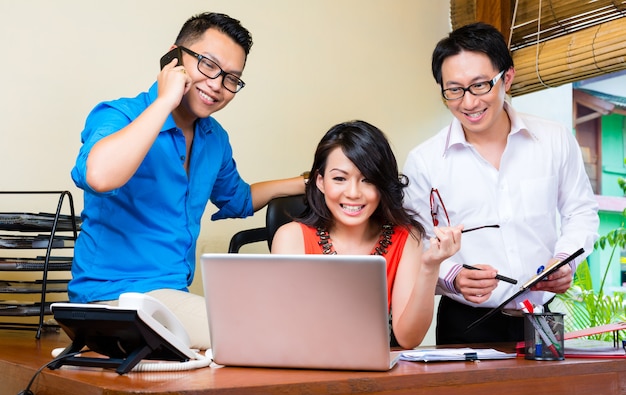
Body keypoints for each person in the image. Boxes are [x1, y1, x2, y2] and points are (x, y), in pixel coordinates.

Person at [68, 12, 304, 349]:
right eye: (208, 65)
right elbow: (99, 176)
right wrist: (165, 101)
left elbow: (238, 198)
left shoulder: (214, 138)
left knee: (271, 326)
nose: (217, 85)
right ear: (175, 58)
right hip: (111, 300)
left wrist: (309, 181)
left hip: (169, 299)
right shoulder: (120, 115)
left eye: (231, 78)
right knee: (261, 332)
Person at [402, 22, 599, 395]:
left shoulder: (554, 138)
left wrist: (566, 260)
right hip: (467, 324)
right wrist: (453, 275)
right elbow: (416, 241)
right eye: (453, 90)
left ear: (506, 77)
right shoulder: (424, 161)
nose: (468, 101)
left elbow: (580, 212)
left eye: (480, 85)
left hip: (541, 319)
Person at [271, 120, 463, 349]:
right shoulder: (291, 237)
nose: (353, 193)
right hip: (304, 368)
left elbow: (408, 339)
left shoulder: (406, 238)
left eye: (368, 180)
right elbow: (285, 331)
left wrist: (430, 267)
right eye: (339, 179)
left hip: (375, 373)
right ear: (320, 182)